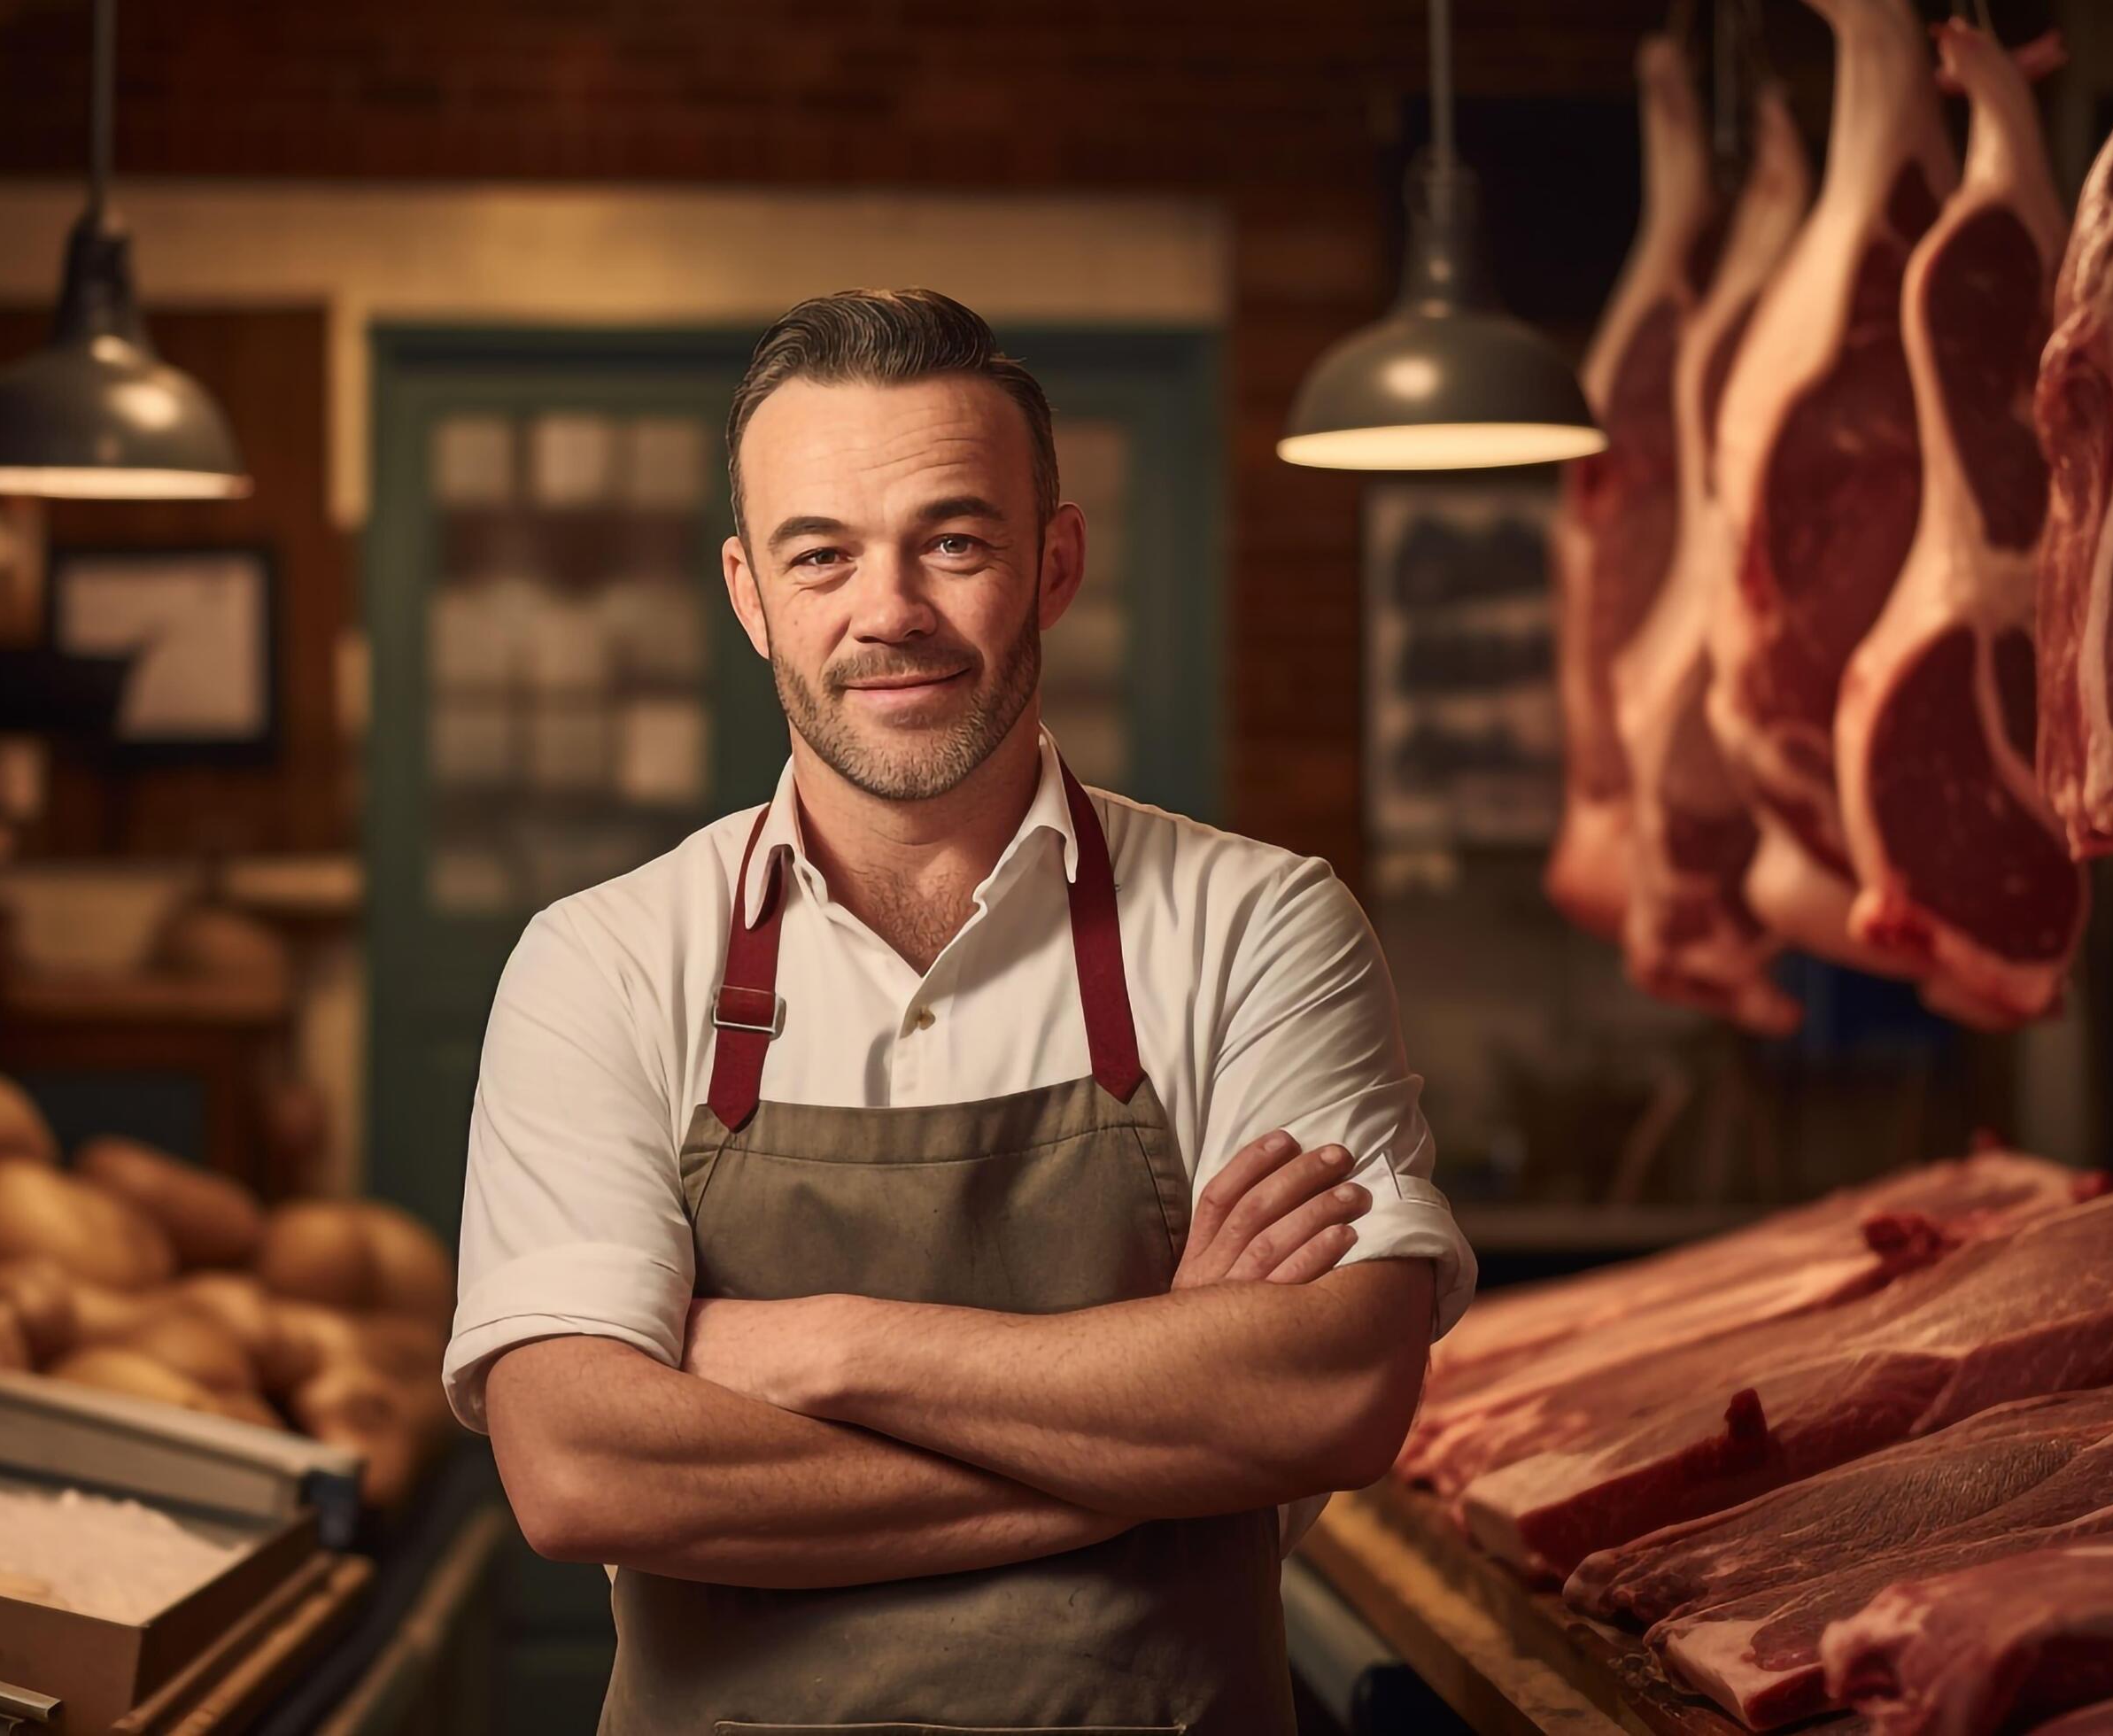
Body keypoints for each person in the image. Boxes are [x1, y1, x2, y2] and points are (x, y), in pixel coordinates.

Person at [445, 288, 1474, 1734]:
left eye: (953, 541)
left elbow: (1330, 1397)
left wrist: (817, 1348)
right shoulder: (604, 961)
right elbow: (580, 1471)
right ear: (747, 595)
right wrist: (1155, 1426)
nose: (890, 613)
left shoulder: (1258, 927)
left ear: (1053, 563)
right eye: (822, 556)